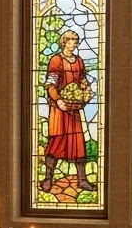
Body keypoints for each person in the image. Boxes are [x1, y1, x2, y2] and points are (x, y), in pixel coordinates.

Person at [40, 29, 94, 193]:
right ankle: (48, 179)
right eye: (70, 41)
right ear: (64, 42)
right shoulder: (56, 60)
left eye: (75, 41)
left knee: (78, 143)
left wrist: (87, 90)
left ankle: (82, 180)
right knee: (56, 141)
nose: (73, 44)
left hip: (74, 108)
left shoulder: (79, 61)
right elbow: (50, 84)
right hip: (59, 109)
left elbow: (82, 80)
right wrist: (58, 99)